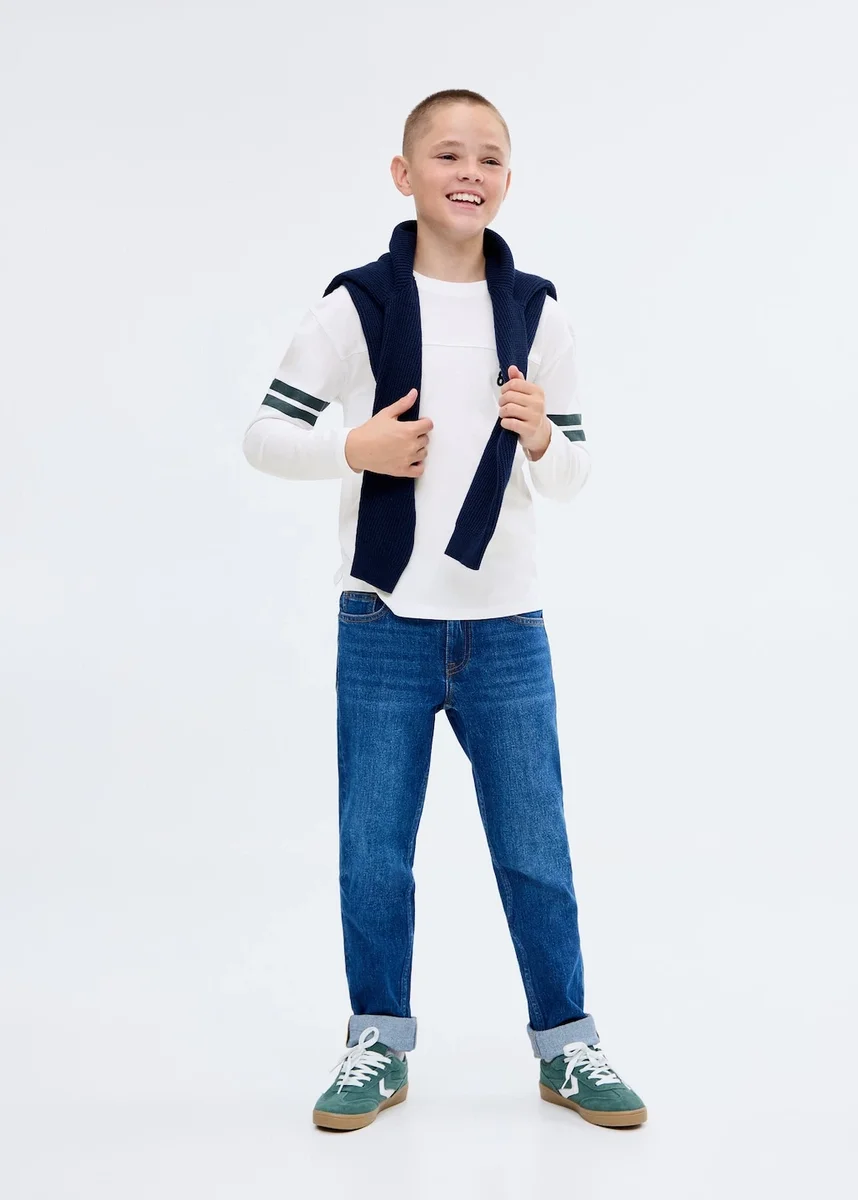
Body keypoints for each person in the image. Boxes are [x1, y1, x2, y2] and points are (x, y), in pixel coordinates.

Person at [242, 88, 647, 1133]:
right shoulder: (357, 306)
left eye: (491, 158)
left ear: (508, 180)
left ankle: (567, 1045)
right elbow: (264, 435)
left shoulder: (539, 313)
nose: (471, 172)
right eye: (449, 154)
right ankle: (377, 1039)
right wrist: (355, 447)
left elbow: (577, 471)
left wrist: (544, 438)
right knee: (375, 850)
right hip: (384, 622)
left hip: (507, 626)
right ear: (404, 174)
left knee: (535, 848)